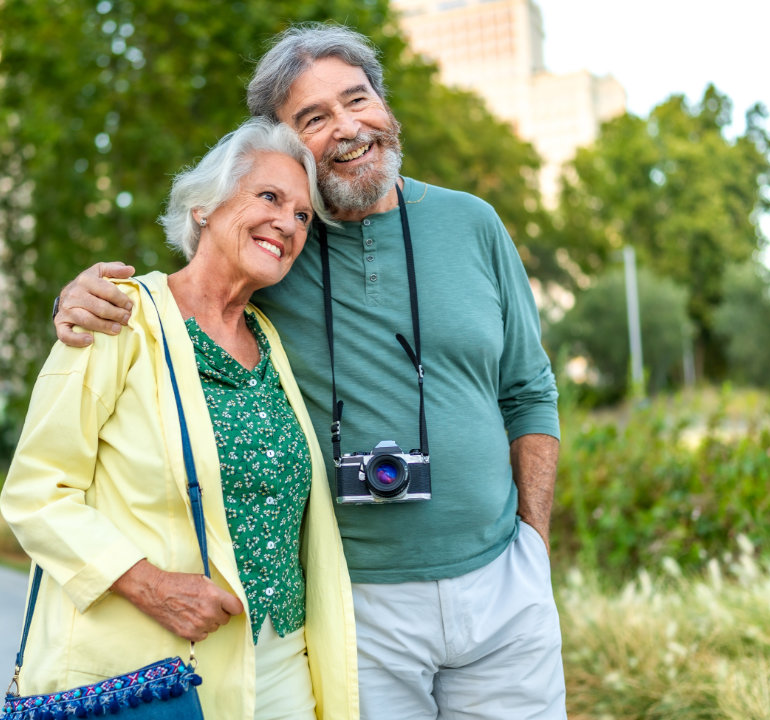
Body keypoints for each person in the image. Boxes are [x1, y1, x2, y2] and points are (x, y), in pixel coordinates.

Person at [52, 24, 564, 720]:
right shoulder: (275, 242)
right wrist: (78, 297)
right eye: (314, 118)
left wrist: (532, 545)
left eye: (358, 100)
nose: (349, 127)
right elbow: (183, 290)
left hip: (505, 586)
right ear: (287, 145)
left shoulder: (473, 222)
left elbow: (529, 392)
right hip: (357, 606)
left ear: (385, 104)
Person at [0, 118, 358, 720]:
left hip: (283, 667)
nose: (288, 223)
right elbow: (37, 493)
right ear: (203, 208)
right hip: (157, 677)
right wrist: (150, 585)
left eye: (302, 216)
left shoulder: (272, 338)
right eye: (269, 197)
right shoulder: (118, 317)